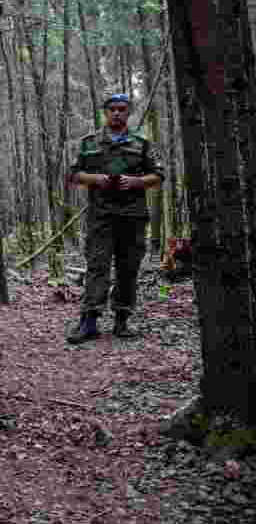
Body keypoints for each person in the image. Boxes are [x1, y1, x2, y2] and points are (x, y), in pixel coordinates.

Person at [66, 93, 164, 344]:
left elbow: (158, 175)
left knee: (128, 268)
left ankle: (122, 320)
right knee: (97, 265)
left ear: (128, 112)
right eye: (112, 109)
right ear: (105, 112)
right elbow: (73, 174)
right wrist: (95, 179)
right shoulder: (89, 143)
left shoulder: (141, 143)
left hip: (133, 216)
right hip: (101, 216)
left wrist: (136, 182)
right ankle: (89, 321)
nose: (117, 113)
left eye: (122, 109)